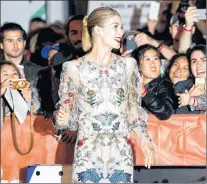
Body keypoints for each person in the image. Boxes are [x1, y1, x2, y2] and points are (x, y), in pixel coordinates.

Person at [53, 7, 154, 183]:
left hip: (120, 155)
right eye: (115, 26)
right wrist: (61, 117)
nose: (120, 32)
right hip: (88, 157)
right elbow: (65, 119)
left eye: (121, 27)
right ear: (98, 30)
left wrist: (145, 139)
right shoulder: (73, 68)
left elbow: (133, 110)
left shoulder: (127, 65)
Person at [0, 22, 42, 113]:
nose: (15, 45)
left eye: (19, 40)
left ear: (24, 42)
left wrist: (30, 99)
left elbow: (47, 108)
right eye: (10, 41)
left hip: (30, 123)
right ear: (1, 45)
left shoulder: (39, 72)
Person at [132, 45, 176, 120]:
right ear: (138, 66)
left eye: (156, 58)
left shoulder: (165, 84)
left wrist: (144, 93)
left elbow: (165, 113)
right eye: (147, 59)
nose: (153, 63)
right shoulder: (130, 85)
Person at [0, 60, 32, 127]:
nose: (11, 77)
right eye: (5, 74)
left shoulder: (26, 91)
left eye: (14, 74)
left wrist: (28, 99)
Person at [177, 45, 206, 112]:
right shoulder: (181, 87)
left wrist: (192, 100)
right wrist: (187, 100)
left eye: (204, 60)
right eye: (194, 61)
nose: (198, 65)